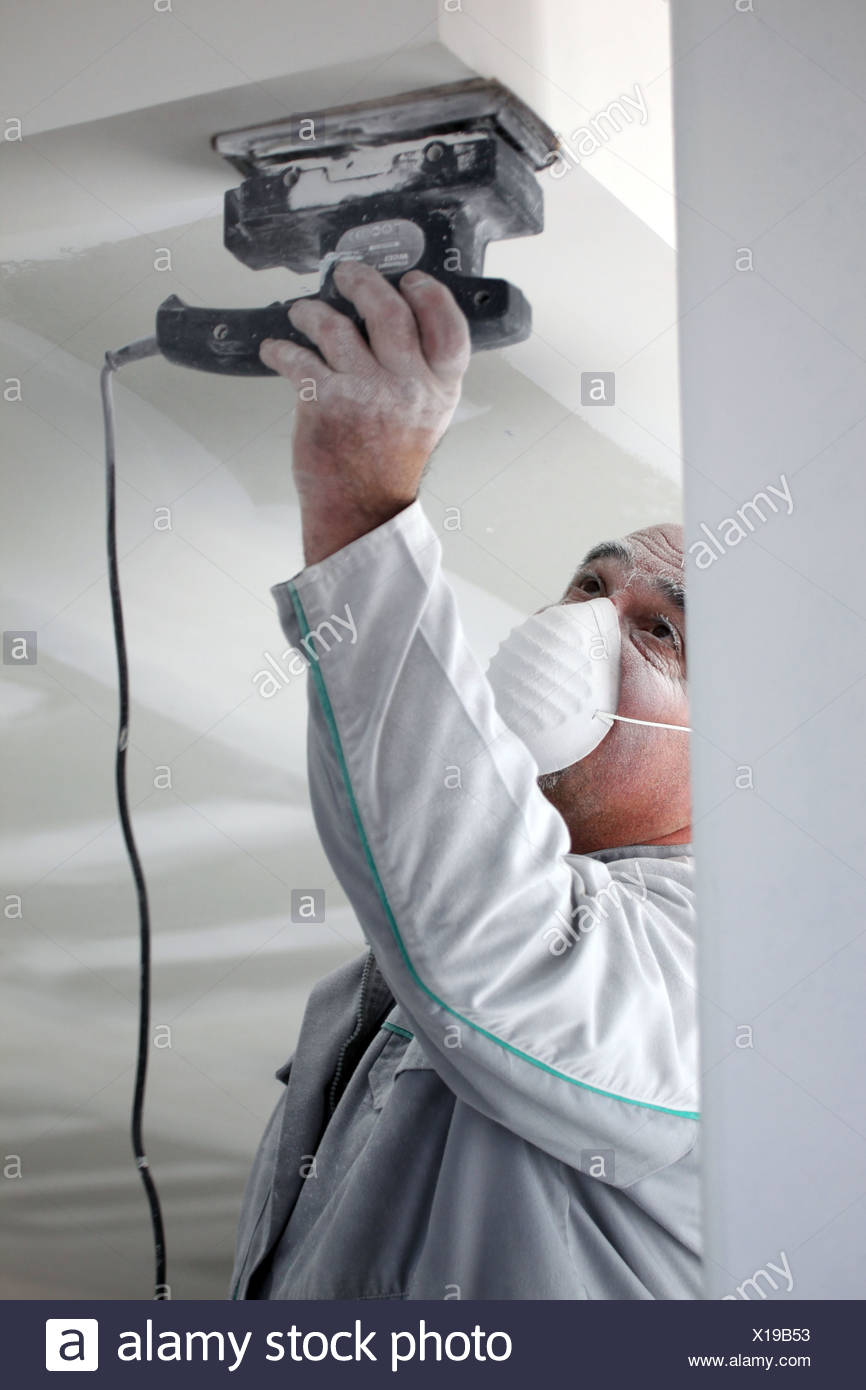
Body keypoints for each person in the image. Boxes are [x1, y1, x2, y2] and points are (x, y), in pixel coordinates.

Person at [230, 260, 699, 1300]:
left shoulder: (739, 976)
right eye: (590, 583)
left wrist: (360, 504)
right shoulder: (374, 983)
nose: (581, 622)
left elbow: (501, 948)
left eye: (657, 628)